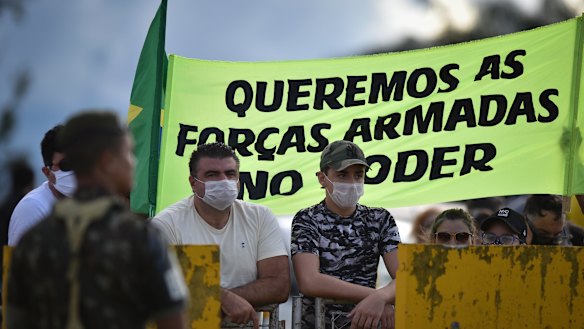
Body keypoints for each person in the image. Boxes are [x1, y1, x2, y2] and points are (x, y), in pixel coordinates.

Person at [6, 111, 188, 329]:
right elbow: (173, 321)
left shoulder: (33, 240)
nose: (133, 163)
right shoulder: (142, 237)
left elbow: (15, 320)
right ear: (107, 161)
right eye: (128, 153)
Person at [151, 142, 290, 329]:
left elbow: (279, 285)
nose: (223, 181)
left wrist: (219, 298)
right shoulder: (166, 224)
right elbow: (160, 287)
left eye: (230, 174)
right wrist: (222, 298)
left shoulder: (259, 216)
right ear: (193, 183)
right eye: (212, 175)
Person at [291, 140, 400, 329]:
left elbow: (407, 277)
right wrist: (374, 297)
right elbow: (309, 281)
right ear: (322, 178)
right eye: (342, 175)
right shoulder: (307, 219)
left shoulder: (380, 219)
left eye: (358, 175)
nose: (352, 183)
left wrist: (382, 297)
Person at [7, 125, 77, 246]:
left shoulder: (89, 202)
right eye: (66, 165)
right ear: (47, 172)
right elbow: (17, 263)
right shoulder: (32, 208)